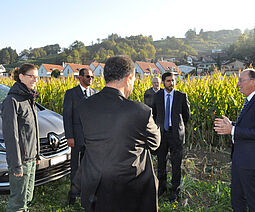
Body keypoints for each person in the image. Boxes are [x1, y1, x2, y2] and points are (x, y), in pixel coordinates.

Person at [74, 55, 160, 212]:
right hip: (130, 194)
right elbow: (155, 143)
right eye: (134, 79)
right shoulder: (140, 111)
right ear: (128, 78)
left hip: (95, 190)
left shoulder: (84, 107)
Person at [214, 68, 255, 212]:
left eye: (241, 80)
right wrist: (232, 125)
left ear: (253, 82)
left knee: (253, 201)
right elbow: (249, 126)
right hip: (241, 159)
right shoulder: (251, 101)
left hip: (251, 161)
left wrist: (233, 130)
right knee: (237, 197)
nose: (238, 84)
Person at [2, 63, 40, 212]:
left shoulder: (29, 99)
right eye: (31, 76)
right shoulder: (12, 101)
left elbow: (33, 130)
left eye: (36, 77)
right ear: (21, 77)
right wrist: (17, 164)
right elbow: (11, 136)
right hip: (21, 161)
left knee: (26, 198)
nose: (35, 80)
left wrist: (36, 154)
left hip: (30, 159)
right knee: (17, 202)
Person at [152, 71, 190, 202]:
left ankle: (175, 191)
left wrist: (178, 127)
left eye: (173, 80)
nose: (171, 83)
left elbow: (186, 116)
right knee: (161, 163)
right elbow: (155, 114)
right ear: (163, 82)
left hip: (176, 135)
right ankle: (161, 188)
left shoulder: (181, 96)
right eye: (168, 81)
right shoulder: (157, 96)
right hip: (161, 135)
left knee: (176, 164)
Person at [63, 68, 97, 205]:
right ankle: (73, 194)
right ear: (80, 77)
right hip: (76, 138)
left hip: (91, 139)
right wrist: (69, 136)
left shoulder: (95, 93)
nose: (91, 79)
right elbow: (67, 116)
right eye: (88, 76)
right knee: (75, 168)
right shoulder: (71, 93)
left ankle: (86, 194)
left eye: (92, 77)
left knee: (88, 168)